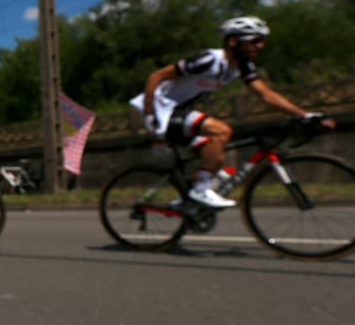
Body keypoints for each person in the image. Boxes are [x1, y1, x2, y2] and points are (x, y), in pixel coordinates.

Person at [131, 16, 335, 208]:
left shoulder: (242, 67)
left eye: (261, 41)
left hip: (180, 111)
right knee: (221, 131)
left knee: (216, 159)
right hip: (161, 110)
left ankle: (187, 200)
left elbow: (265, 94)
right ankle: (200, 191)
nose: (260, 46)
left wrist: (305, 114)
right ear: (233, 42)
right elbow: (155, 76)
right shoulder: (209, 60)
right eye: (254, 41)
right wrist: (150, 114)